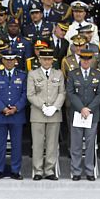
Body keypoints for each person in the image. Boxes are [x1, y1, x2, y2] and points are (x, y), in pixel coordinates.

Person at [67, 49, 100, 181]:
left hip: (92, 114)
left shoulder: (98, 75)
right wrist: (81, 108)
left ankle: (89, 171)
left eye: (88, 59)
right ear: (80, 60)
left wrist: (88, 109)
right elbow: (70, 93)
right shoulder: (73, 74)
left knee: (90, 145)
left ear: (92, 60)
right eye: (83, 59)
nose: (86, 61)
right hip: (77, 113)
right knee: (76, 145)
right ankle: (76, 171)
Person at [27, 47, 64, 180]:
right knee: (37, 144)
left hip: (54, 114)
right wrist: (42, 106)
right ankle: (37, 170)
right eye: (44, 59)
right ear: (39, 59)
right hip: (38, 113)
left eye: (49, 59)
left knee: (52, 144)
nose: (47, 62)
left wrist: (54, 107)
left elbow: (62, 93)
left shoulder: (58, 74)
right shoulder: (33, 74)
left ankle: (49, 170)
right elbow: (30, 94)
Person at [0, 53, 27, 180]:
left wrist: (16, 108)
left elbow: (25, 94)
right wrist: (3, 108)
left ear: (15, 61)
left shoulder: (22, 75)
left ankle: (16, 170)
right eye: (7, 59)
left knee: (17, 144)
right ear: (3, 61)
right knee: (0, 144)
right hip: (1, 115)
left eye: (12, 60)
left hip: (17, 115)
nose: (9, 62)